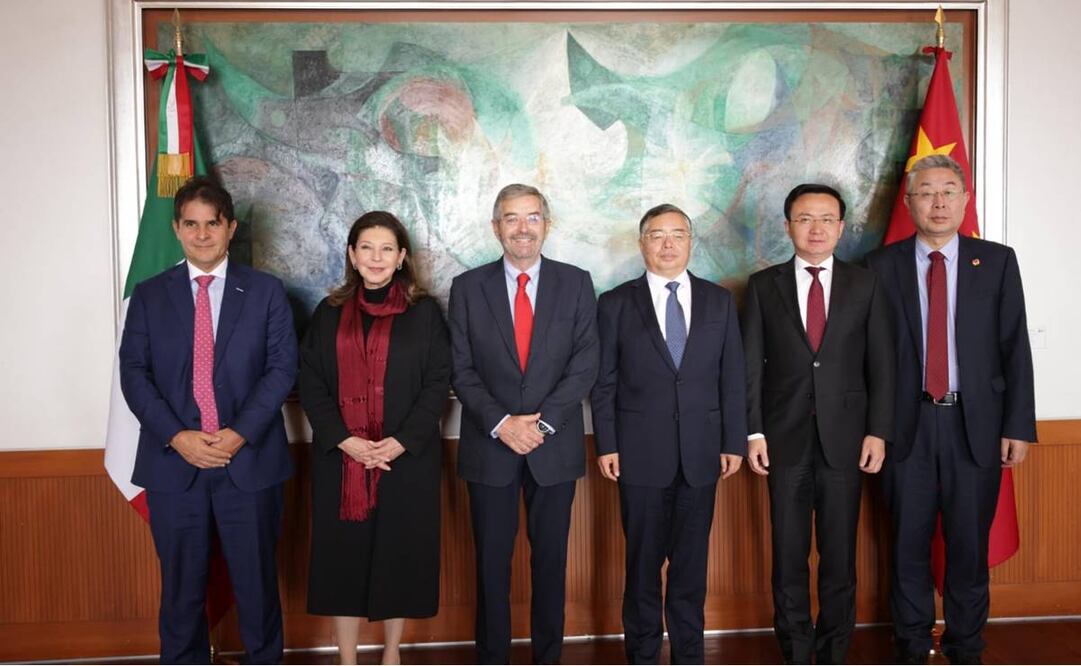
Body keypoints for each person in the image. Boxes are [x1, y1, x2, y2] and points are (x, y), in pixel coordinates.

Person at [866, 154, 1036, 664]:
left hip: (975, 427)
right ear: (909, 201)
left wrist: (1018, 426)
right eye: (926, 192)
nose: (938, 202)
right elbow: (868, 357)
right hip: (905, 428)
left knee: (967, 549)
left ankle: (966, 647)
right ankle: (912, 645)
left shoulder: (997, 260)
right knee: (907, 548)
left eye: (948, 191)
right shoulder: (880, 265)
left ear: (965, 200)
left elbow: (1015, 347)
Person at [119, 176, 297, 663]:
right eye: (191, 224)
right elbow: (133, 375)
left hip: (250, 462)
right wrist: (178, 437)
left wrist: (238, 434)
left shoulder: (264, 292)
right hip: (175, 466)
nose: (202, 235)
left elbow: (282, 369)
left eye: (212, 224)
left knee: (257, 590)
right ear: (176, 228)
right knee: (181, 594)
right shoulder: (149, 295)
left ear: (230, 227)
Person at [741, 184, 895, 664]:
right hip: (782, 441)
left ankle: (833, 650)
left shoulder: (864, 284)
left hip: (846, 441)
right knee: (788, 556)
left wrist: (878, 430)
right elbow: (750, 368)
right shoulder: (763, 287)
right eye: (805, 218)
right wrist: (754, 432)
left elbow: (882, 365)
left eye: (826, 219)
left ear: (841, 227)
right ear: (787, 226)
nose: (816, 228)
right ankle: (796, 650)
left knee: (839, 557)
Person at [448, 184, 599, 664]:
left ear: (546, 225)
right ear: (496, 228)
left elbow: (585, 363)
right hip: (490, 447)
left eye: (532, 217)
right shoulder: (467, 287)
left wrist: (543, 425)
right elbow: (460, 368)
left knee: (550, 564)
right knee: (491, 566)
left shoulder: (576, 282)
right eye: (511, 219)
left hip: (553, 449)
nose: (522, 228)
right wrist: (502, 424)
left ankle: (547, 658)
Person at [591, 203, 747, 665]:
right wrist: (608, 443)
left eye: (677, 234)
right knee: (641, 567)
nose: (667, 244)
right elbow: (604, 383)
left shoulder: (719, 301)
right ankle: (640, 656)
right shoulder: (615, 303)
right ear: (642, 244)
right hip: (639, 456)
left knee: (690, 570)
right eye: (657, 235)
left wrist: (732, 442)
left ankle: (689, 656)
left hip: (702, 456)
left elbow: (732, 378)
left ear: (690, 242)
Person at [299, 211, 451, 665]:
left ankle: (390, 654)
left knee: (398, 558)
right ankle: (347, 658)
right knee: (342, 562)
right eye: (367, 247)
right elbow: (310, 382)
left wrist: (400, 441)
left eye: (387, 248)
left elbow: (438, 381)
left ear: (402, 256)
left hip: (406, 461)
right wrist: (345, 440)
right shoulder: (327, 314)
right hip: (341, 460)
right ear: (352, 254)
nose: (377, 257)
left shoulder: (424, 313)